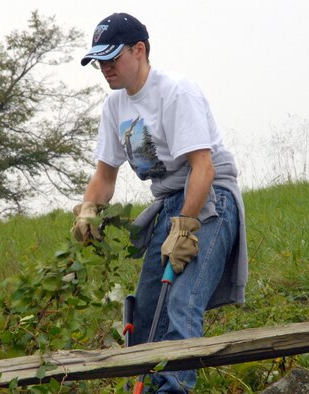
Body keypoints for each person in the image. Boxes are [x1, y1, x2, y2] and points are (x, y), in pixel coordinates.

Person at [72, 12, 248, 393]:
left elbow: (202, 168)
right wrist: (89, 209)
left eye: (112, 58)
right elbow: (104, 177)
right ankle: (147, 386)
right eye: (99, 61)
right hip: (168, 205)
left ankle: (174, 388)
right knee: (147, 309)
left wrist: (185, 226)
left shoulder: (176, 92)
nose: (105, 68)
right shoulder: (114, 107)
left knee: (181, 301)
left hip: (209, 200)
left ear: (139, 50)